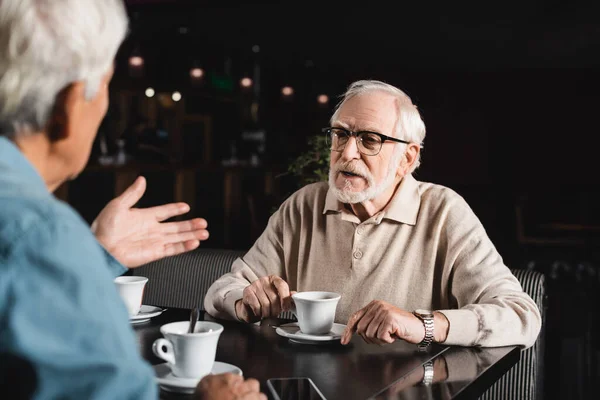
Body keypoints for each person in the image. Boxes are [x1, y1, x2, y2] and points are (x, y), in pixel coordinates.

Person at [0, 1, 265, 399]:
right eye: (105, 84)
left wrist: (90, 257)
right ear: (68, 107)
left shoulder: (40, 242)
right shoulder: (42, 235)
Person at [205, 79, 542, 349]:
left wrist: (423, 324)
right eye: (340, 134)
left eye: (370, 140)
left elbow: (521, 315)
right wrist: (244, 300)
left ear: (408, 159)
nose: (347, 152)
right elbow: (221, 291)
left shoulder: (443, 212)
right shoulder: (303, 205)